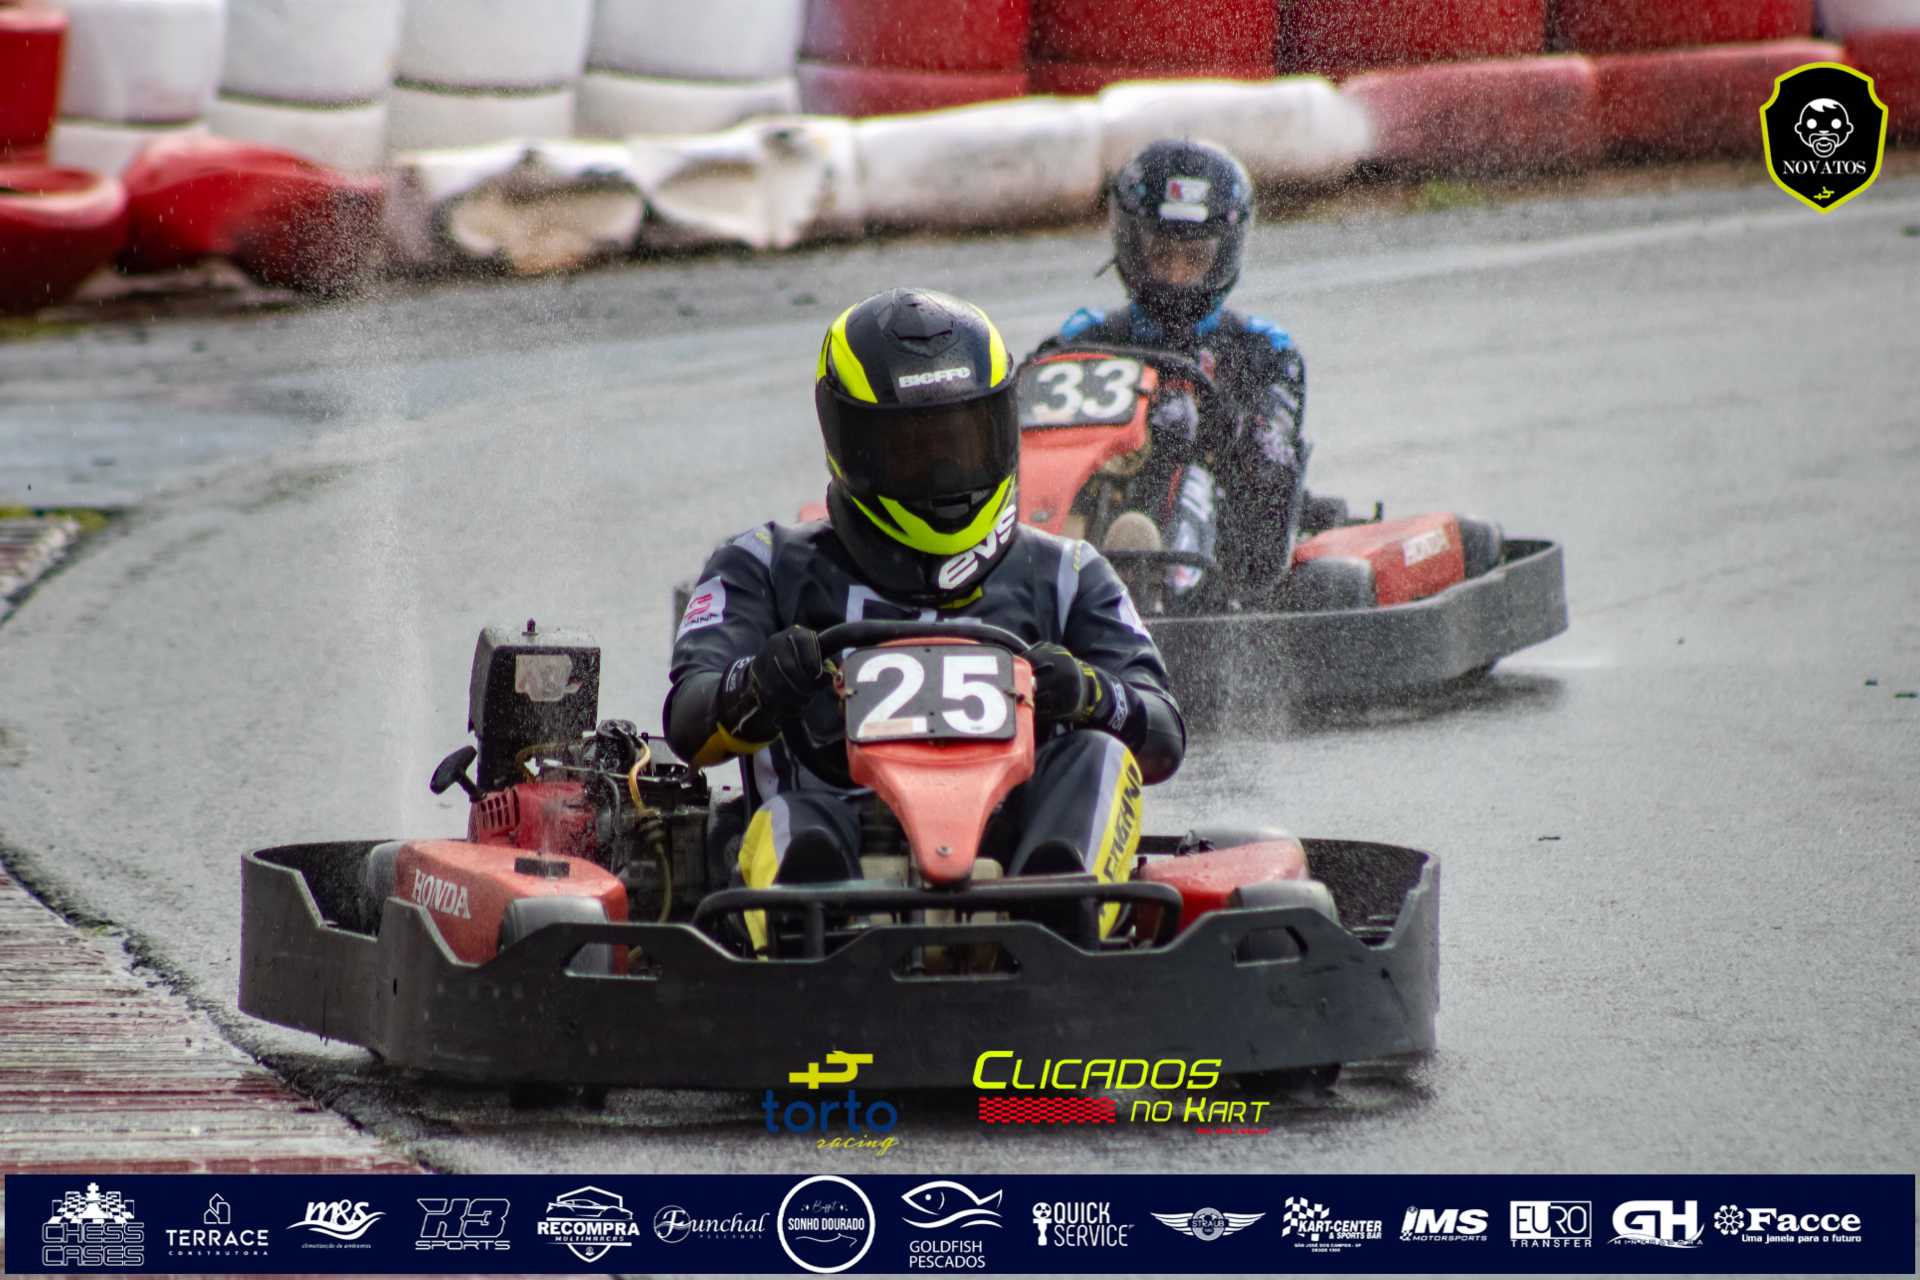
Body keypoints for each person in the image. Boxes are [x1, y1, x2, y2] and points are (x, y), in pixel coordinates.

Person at [664, 287, 1186, 950]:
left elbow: (1163, 733)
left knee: (1097, 755)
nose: (945, 470)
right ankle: (815, 930)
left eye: (964, 441)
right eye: (913, 450)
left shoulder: (1069, 573)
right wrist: (759, 685)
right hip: (834, 856)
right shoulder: (764, 565)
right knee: (798, 818)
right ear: (850, 443)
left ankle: (1060, 919)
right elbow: (690, 720)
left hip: (1028, 857)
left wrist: (1091, 694)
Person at [1034, 137, 1333, 598]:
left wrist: (1206, 427)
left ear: (1224, 252)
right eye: (1161, 254)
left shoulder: (1264, 350)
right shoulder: (1087, 338)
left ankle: (1159, 585)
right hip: (1093, 516)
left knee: (1188, 444)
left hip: (1224, 551)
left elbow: (1272, 459)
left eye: (1193, 258)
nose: (1175, 274)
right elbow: (1031, 433)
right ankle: (1038, 578)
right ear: (1132, 244)